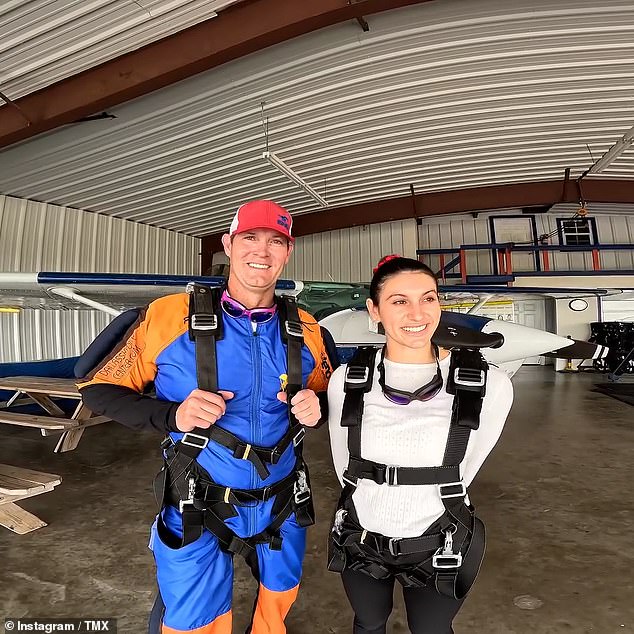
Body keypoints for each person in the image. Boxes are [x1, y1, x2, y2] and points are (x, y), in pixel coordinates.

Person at [77, 200, 334, 634]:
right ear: (228, 244)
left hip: (282, 502)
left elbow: (325, 398)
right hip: (198, 501)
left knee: (278, 603)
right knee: (192, 622)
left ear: (288, 252)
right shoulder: (166, 318)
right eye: (250, 238)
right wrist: (173, 415)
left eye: (276, 242)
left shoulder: (308, 329)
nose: (263, 251)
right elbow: (98, 388)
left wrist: (318, 408)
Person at [326, 255, 513, 634]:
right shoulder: (347, 379)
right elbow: (343, 460)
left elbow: (471, 463)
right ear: (374, 310)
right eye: (399, 301)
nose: (417, 313)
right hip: (361, 536)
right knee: (368, 622)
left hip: (440, 541)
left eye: (428, 299)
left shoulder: (486, 384)